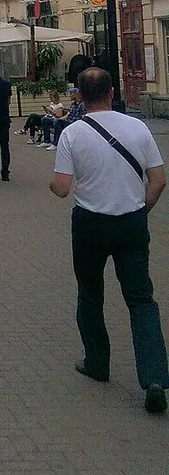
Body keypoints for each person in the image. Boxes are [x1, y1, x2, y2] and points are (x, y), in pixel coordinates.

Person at [50, 67, 169, 414]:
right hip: (131, 221)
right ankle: (155, 377)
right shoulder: (138, 127)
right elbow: (159, 180)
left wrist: (52, 184)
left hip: (90, 222)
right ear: (112, 91)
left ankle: (97, 362)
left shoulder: (73, 133)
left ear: (80, 96)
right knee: (141, 299)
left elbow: (60, 188)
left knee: (90, 291)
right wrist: (141, 210)